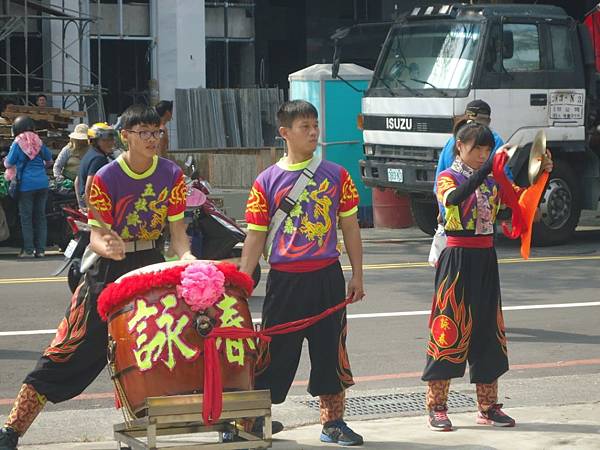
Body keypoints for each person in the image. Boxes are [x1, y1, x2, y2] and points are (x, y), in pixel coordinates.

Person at [0, 104, 195, 450]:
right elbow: (97, 235)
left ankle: (227, 416)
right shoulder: (107, 178)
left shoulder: (172, 175)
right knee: (70, 346)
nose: (152, 139)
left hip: (150, 263)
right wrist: (110, 247)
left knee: (168, 339)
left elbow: (177, 232)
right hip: (108, 269)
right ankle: (13, 428)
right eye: (144, 133)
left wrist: (188, 258)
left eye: (157, 132)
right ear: (125, 137)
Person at [240, 100, 365, 447]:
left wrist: (357, 275)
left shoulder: (337, 175)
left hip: (326, 276)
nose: (313, 132)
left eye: (315, 126)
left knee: (331, 351)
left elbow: (350, 227)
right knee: (272, 352)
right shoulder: (266, 181)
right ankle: (254, 420)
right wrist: (241, 280)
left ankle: (333, 424)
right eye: (304, 127)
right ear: (285, 133)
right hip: (284, 281)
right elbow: (255, 235)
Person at [422, 121, 553, 432]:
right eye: (475, 149)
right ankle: (437, 406)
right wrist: (487, 172)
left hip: (485, 259)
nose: (482, 154)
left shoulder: (493, 184)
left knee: (488, 332)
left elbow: (516, 206)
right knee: (448, 329)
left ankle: (487, 406)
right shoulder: (447, 177)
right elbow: (452, 200)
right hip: (456, 259)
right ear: (459, 148)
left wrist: (541, 172)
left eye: (486, 149)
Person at [3, 115, 53, 258]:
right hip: (43, 183)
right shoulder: (38, 140)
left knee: (26, 218)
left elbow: (8, 163)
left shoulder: (18, 142)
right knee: (40, 217)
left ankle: (29, 251)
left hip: (26, 185)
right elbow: (49, 160)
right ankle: (41, 250)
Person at [435, 100, 504, 193]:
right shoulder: (447, 178)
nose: (483, 156)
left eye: (488, 150)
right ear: (459, 145)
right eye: (477, 148)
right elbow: (450, 198)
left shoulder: (453, 139)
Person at [75, 123, 116, 210]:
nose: (110, 143)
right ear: (95, 141)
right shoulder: (99, 159)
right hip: (97, 205)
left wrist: (81, 204)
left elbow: (77, 181)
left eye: (111, 139)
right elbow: (89, 186)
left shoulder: (90, 154)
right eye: (105, 140)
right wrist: (91, 210)